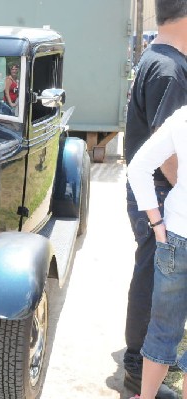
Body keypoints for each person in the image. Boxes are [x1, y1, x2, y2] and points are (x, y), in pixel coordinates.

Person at [123, 1, 187, 398]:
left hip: (155, 196)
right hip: (161, 199)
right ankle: (138, 369)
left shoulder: (157, 58)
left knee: (151, 276)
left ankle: (140, 366)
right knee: (155, 281)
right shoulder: (171, 70)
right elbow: (168, 155)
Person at [126, 105, 187, 399]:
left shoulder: (182, 118)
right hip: (173, 235)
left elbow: (137, 167)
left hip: (174, 235)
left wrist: (158, 224)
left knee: (162, 328)